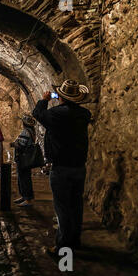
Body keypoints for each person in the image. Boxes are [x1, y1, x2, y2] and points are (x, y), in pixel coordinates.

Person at [32, 80, 91, 254]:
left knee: (62, 207)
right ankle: (75, 240)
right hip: (79, 167)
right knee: (76, 205)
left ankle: (63, 247)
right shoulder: (84, 114)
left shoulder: (56, 114)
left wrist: (44, 100)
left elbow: (37, 113)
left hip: (61, 168)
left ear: (62, 97)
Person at [11, 114, 37, 207]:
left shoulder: (26, 132)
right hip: (26, 159)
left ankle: (27, 199)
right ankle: (24, 196)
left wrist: (13, 144)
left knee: (24, 178)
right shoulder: (32, 131)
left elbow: (21, 145)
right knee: (23, 177)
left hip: (23, 158)